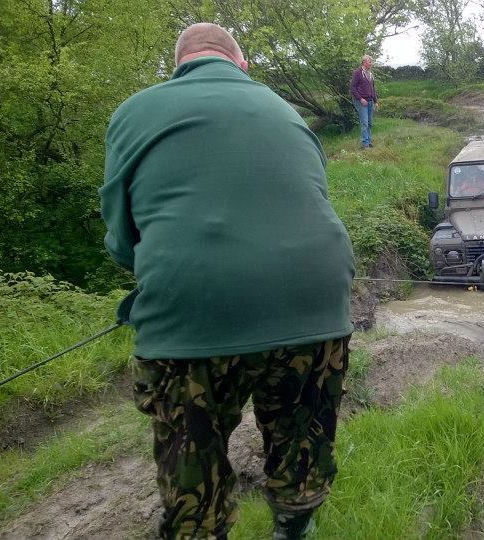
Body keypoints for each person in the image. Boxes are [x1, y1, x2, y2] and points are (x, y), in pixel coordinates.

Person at [99, 23, 355, 540]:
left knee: (194, 460)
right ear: (242, 65)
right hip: (316, 298)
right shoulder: (285, 110)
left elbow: (122, 239)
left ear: (179, 65)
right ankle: (294, 526)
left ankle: (201, 525)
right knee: (301, 434)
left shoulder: (135, 111)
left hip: (192, 310)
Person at [350, 54, 378, 148]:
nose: (371, 63)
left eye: (371, 62)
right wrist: (361, 99)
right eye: (369, 62)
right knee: (364, 122)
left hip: (370, 101)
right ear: (364, 62)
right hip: (362, 102)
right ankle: (365, 143)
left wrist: (375, 101)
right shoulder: (358, 73)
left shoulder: (370, 74)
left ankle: (368, 141)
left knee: (369, 122)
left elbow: (373, 88)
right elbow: (352, 88)